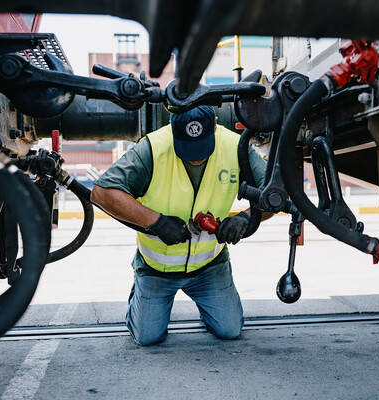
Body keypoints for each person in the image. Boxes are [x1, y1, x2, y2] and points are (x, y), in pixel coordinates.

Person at [91, 105, 269, 345]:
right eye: (187, 150)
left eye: (202, 149)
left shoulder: (234, 146)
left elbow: (278, 193)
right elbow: (102, 193)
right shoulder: (153, 148)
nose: (196, 157)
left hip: (209, 267)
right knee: (147, 337)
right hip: (157, 269)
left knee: (230, 330)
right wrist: (156, 222)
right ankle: (140, 293)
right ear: (172, 128)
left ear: (215, 124)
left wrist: (246, 217)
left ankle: (212, 307)